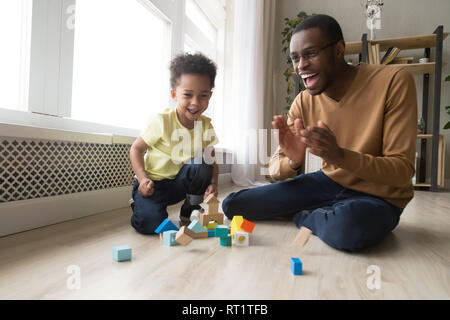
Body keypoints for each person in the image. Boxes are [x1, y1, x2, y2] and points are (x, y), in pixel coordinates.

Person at [222, 14, 417, 252]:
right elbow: (275, 168)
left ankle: (307, 216)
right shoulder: (303, 102)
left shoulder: (394, 82)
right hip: (327, 183)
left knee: (347, 228)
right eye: (295, 58)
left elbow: (401, 172)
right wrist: (293, 161)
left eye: (310, 53)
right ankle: (324, 212)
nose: (300, 65)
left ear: (338, 50)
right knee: (234, 205)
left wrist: (340, 156)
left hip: (379, 196)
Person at [129, 52, 219, 234]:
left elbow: (211, 161)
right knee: (151, 226)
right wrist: (142, 179)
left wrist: (214, 184)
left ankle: (190, 208)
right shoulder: (161, 121)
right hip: (153, 185)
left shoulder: (206, 125)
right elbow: (136, 149)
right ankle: (140, 205)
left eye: (203, 95)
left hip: (180, 184)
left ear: (210, 95)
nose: (195, 103)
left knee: (203, 161)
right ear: (174, 94)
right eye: (187, 95)